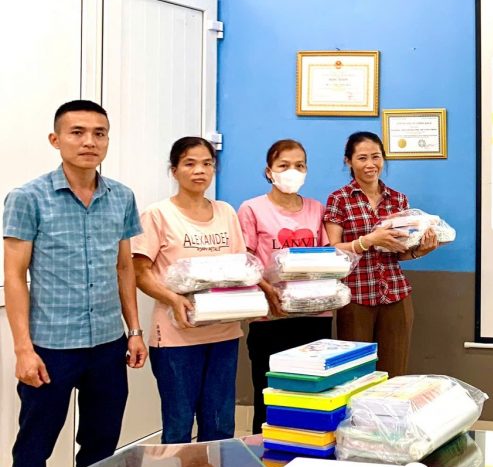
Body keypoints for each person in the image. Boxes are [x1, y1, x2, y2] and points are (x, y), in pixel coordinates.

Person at [3, 100, 146, 467]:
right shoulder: (28, 197)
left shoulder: (121, 196)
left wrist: (134, 331)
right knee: (34, 447)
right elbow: (14, 276)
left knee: (101, 445)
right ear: (56, 139)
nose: (89, 142)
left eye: (99, 134)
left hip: (107, 343)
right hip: (51, 346)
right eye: (77, 133)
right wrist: (23, 349)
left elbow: (124, 267)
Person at [132, 137, 247, 444]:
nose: (200, 171)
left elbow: (240, 266)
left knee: (220, 425)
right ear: (174, 170)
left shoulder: (226, 212)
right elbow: (139, 273)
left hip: (223, 333)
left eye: (207, 163)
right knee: (179, 423)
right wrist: (173, 298)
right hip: (176, 336)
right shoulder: (158, 214)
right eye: (190, 163)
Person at [238, 139, 333, 433]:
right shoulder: (252, 209)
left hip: (314, 315)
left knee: (311, 395)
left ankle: (308, 450)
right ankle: (265, 451)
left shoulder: (316, 209)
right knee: (270, 393)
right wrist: (269, 291)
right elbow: (246, 261)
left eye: (299, 165)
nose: (292, 171)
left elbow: (327, 257)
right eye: (284, 165)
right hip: (271, 316)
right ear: (269, 171)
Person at [323, 132, 437, 376]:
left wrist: (420, 250)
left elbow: (400, 252)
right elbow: (332, 249)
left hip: (395, 294)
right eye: (362, 158)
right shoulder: (339, 199)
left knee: (394, 373)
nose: (370, 164)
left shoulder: (398, 199)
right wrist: (368, 241)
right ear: (348, 161)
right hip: (355, 297)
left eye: (376, 157)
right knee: (355, 373)